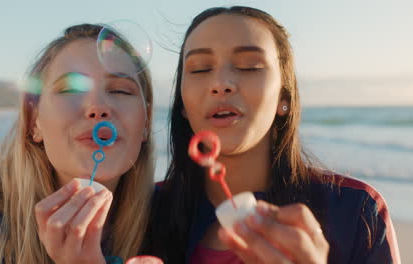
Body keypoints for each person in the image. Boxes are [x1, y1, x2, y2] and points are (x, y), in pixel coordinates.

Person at [142, 6, 401, 264]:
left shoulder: (356, 211)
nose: (221, 84)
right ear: (183, 105)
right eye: (199, 69)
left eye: (249, 66)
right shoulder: (141, 212)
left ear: (283, 98)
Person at [0, 23, 155, 264]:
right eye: (71, 89)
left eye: (120, 90)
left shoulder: (169, 218)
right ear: (34, 120)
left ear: (147, 121)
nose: (98, 107)